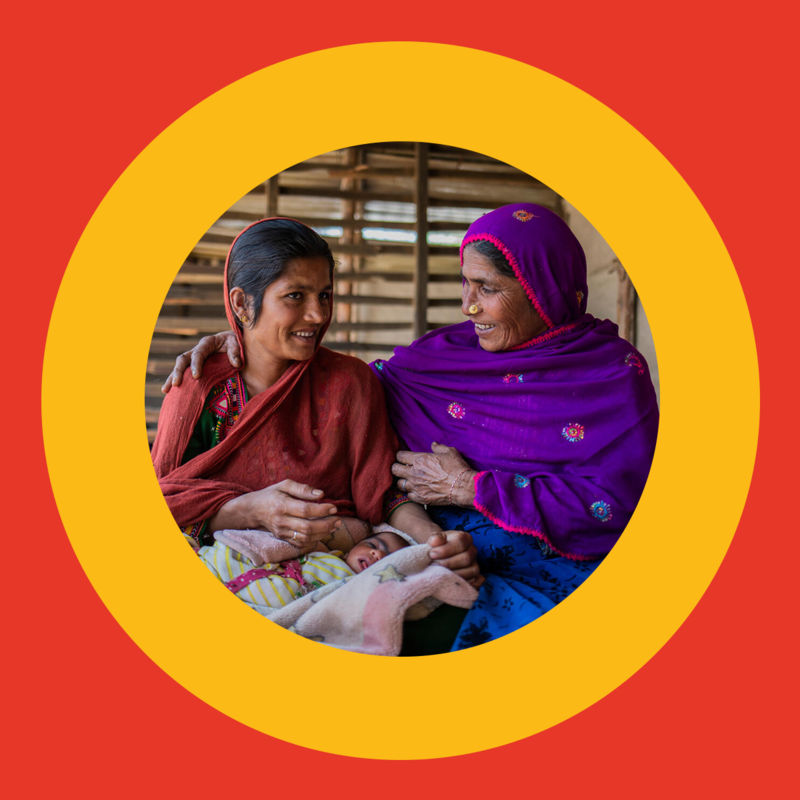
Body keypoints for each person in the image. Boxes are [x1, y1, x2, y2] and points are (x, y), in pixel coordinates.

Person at [165, 204, 659, 651]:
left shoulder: (614, 377)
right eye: (466, 284)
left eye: (488, 289)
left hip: (552, 556)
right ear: (243, 303)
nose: (468, 306)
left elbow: (626, 505)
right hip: (422, 549)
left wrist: (470, 494)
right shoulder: (443, 360)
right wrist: (241, 339)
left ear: (543, 289)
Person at [153, 217, 479, 595]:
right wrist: (249, 510)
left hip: (332, 566)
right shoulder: (201, 386)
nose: (318, 315)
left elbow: (383, 491)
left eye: (324, 295)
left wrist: (437, 542)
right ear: (242, 303)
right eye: (296, 296)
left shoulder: (350, 382)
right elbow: (163, 498)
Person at [200, 530, 410, 609]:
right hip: (266, 575)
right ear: (348, 552)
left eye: (388, 560)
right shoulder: (325, 554)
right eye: (373, 546)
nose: (378, 555)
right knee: (219, 560)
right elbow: (284, 545)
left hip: (283, 607)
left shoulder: (361, 593)